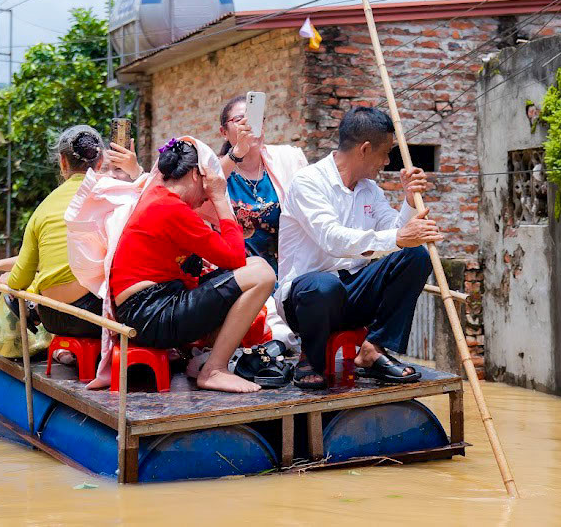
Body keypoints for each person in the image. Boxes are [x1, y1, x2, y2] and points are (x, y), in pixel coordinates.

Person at [277, 106, 442, 390]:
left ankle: (373, 349)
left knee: (415, 256)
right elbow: (332, 239)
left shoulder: (370, 189)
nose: (387, 161)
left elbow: (394, 234)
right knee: (323, 285)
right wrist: (400, 237)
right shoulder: (309, 182)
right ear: (365, 149)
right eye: (385, 153)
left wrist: (409, 200)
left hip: (354, 292)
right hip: (307, 300)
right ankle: (310, 358)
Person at [111, 138, 276, 393]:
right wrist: (220, 199)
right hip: (151, 313)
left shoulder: (159, 198)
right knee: (262, 273)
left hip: (147, 309)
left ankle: (209, 361)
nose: (207, 195)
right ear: (196, 174)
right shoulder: (171, 208)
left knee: (254, 266)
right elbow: (234, 257)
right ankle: (214, 370)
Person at [0, 125, 142, 339]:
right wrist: (137, 171)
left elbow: (20, 278)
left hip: (51, 316)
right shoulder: (114, 195)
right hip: (94, 315)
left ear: (62, 162)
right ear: (99, 162)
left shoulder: (43, 208)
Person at [217, 95, 309, 348]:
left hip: (288, 270)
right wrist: (238, 153)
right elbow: (208, 186)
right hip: (242, 274)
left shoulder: (287, 161)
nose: (249, 124)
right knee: (275, 337)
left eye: (255, 118)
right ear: (224, 131)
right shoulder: (218, 170)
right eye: (239, 119)